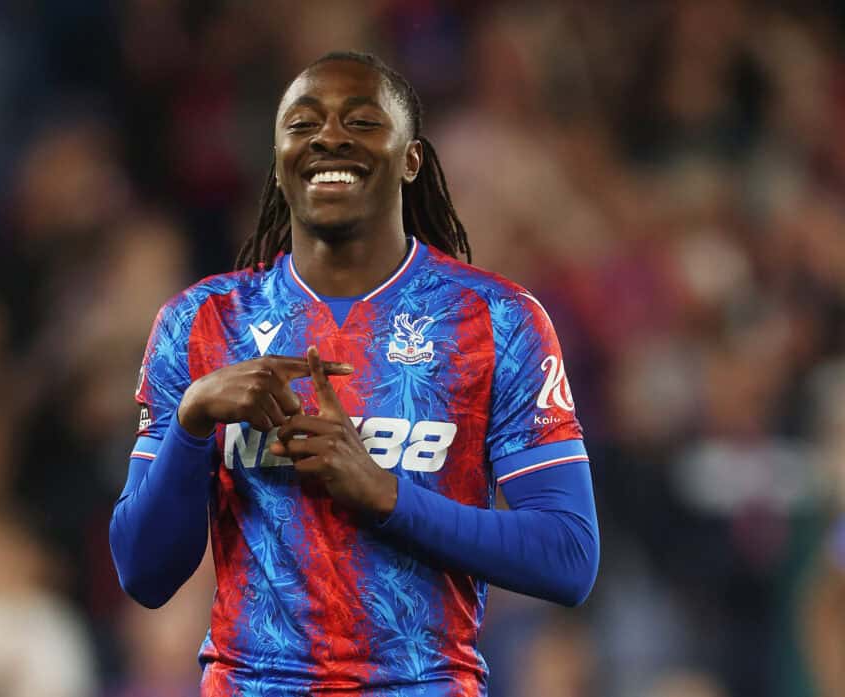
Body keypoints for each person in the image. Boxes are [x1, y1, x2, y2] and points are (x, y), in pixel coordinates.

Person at [110, 51, 599, 695]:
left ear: (412, 159)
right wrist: (192, 421)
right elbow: (144, 574)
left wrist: (385, 495)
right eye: (303, 124)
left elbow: (569, 556)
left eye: (363, 121)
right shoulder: (201, 324)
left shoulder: (497, 321)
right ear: (279, 160)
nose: (330, 137)